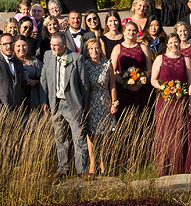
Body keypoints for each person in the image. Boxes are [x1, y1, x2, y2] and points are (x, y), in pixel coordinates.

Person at [43, 32, 88, 177]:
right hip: (55, 103)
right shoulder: (48, 56)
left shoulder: (76, 58)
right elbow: (44, 79)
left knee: (78, 137)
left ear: (64, 45)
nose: (54, 48)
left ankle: (82, 170)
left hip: (73, 103)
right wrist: (45, 101)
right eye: (52, 45)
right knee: (60, 138)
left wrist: (84, 103)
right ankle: (63, 168)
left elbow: (84, 84)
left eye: (56, 46)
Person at [150, 34, 191, 175]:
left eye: (176, 42)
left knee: (181, 133)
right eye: (171, 42)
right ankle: (164, 166)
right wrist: (164, 88)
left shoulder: (185, 60)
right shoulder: (160, 59)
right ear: (167, 44)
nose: (174, 45)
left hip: (181, 101)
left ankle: (180, 166)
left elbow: (190, 82)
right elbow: (153, 79)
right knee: (165, 132)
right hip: (164, 101)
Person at [82, 37, 117, 176]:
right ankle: (92, 164)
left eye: (96, 48)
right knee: (91, 135)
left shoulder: (107, 64)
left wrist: (114, 102)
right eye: (91, 48)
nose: (94, 51)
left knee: (104, 135)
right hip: (90, 101)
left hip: (104, 100)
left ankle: (104, 163)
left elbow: (112, 85)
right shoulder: (85, 65)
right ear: (87, 51)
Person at [111, 21, 152, 114]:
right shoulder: (117, 48)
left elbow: (149, 69)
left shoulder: (143, 47)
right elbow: (112, 71)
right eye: (129, 30)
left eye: (134, 30)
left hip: (141, 89)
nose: (132, 32)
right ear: (124, 32)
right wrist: (127, 84)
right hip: (123, 89)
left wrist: (140, 83)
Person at [0, 33, 27, 116]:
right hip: (0, 110)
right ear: (0, 46)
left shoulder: (18, 63)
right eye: (5, 44)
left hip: (17, 111)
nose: (8, 46)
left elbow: (21, 86)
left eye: (11, 43)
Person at [15, 37, 45, 113]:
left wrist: (36, 82)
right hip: (17, 98)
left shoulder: (34, 60)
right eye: (18, 46)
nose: (21, 48)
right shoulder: (11, 62)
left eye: (24, 45)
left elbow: (45, 78)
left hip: (34, 97)